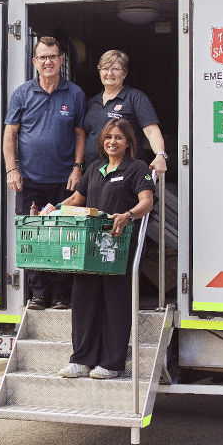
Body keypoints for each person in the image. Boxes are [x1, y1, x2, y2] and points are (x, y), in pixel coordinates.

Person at [57, 118, 154, 379]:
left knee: (115, 303)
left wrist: (128, 215)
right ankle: (81, 360)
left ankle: (111, 363)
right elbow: (78, 199)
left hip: (119, 246)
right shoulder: (94, 168)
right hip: (89, 247)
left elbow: (147, 201)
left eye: (119, 137)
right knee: (84, 301)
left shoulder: (137, 168)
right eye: (109, 136)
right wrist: (52, 210)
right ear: (102, 141)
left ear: (128, 143)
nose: (113, 141)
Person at [3, 36, 86, 310]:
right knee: (34, 236)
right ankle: (38, 294)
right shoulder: (22, 93)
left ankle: (62, 295)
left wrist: (77, 167)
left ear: (61, 60)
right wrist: (12, 169)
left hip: (64, 180)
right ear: (34, 62)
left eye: (53, 56)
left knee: (63, 236)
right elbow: (10, 134)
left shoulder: (74, 93)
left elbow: (80, 134)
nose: (48, 62)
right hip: (30, 181)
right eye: (43, 57)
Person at [82, 50, 168, 177]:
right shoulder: (91, 102)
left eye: (115, 69)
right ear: (99, 72)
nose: (109, 73)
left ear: (124, 73)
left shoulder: (135, 98)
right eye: (105, 68)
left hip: (125, 174)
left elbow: (152, 131)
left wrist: (160, 155)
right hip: (93, 173)